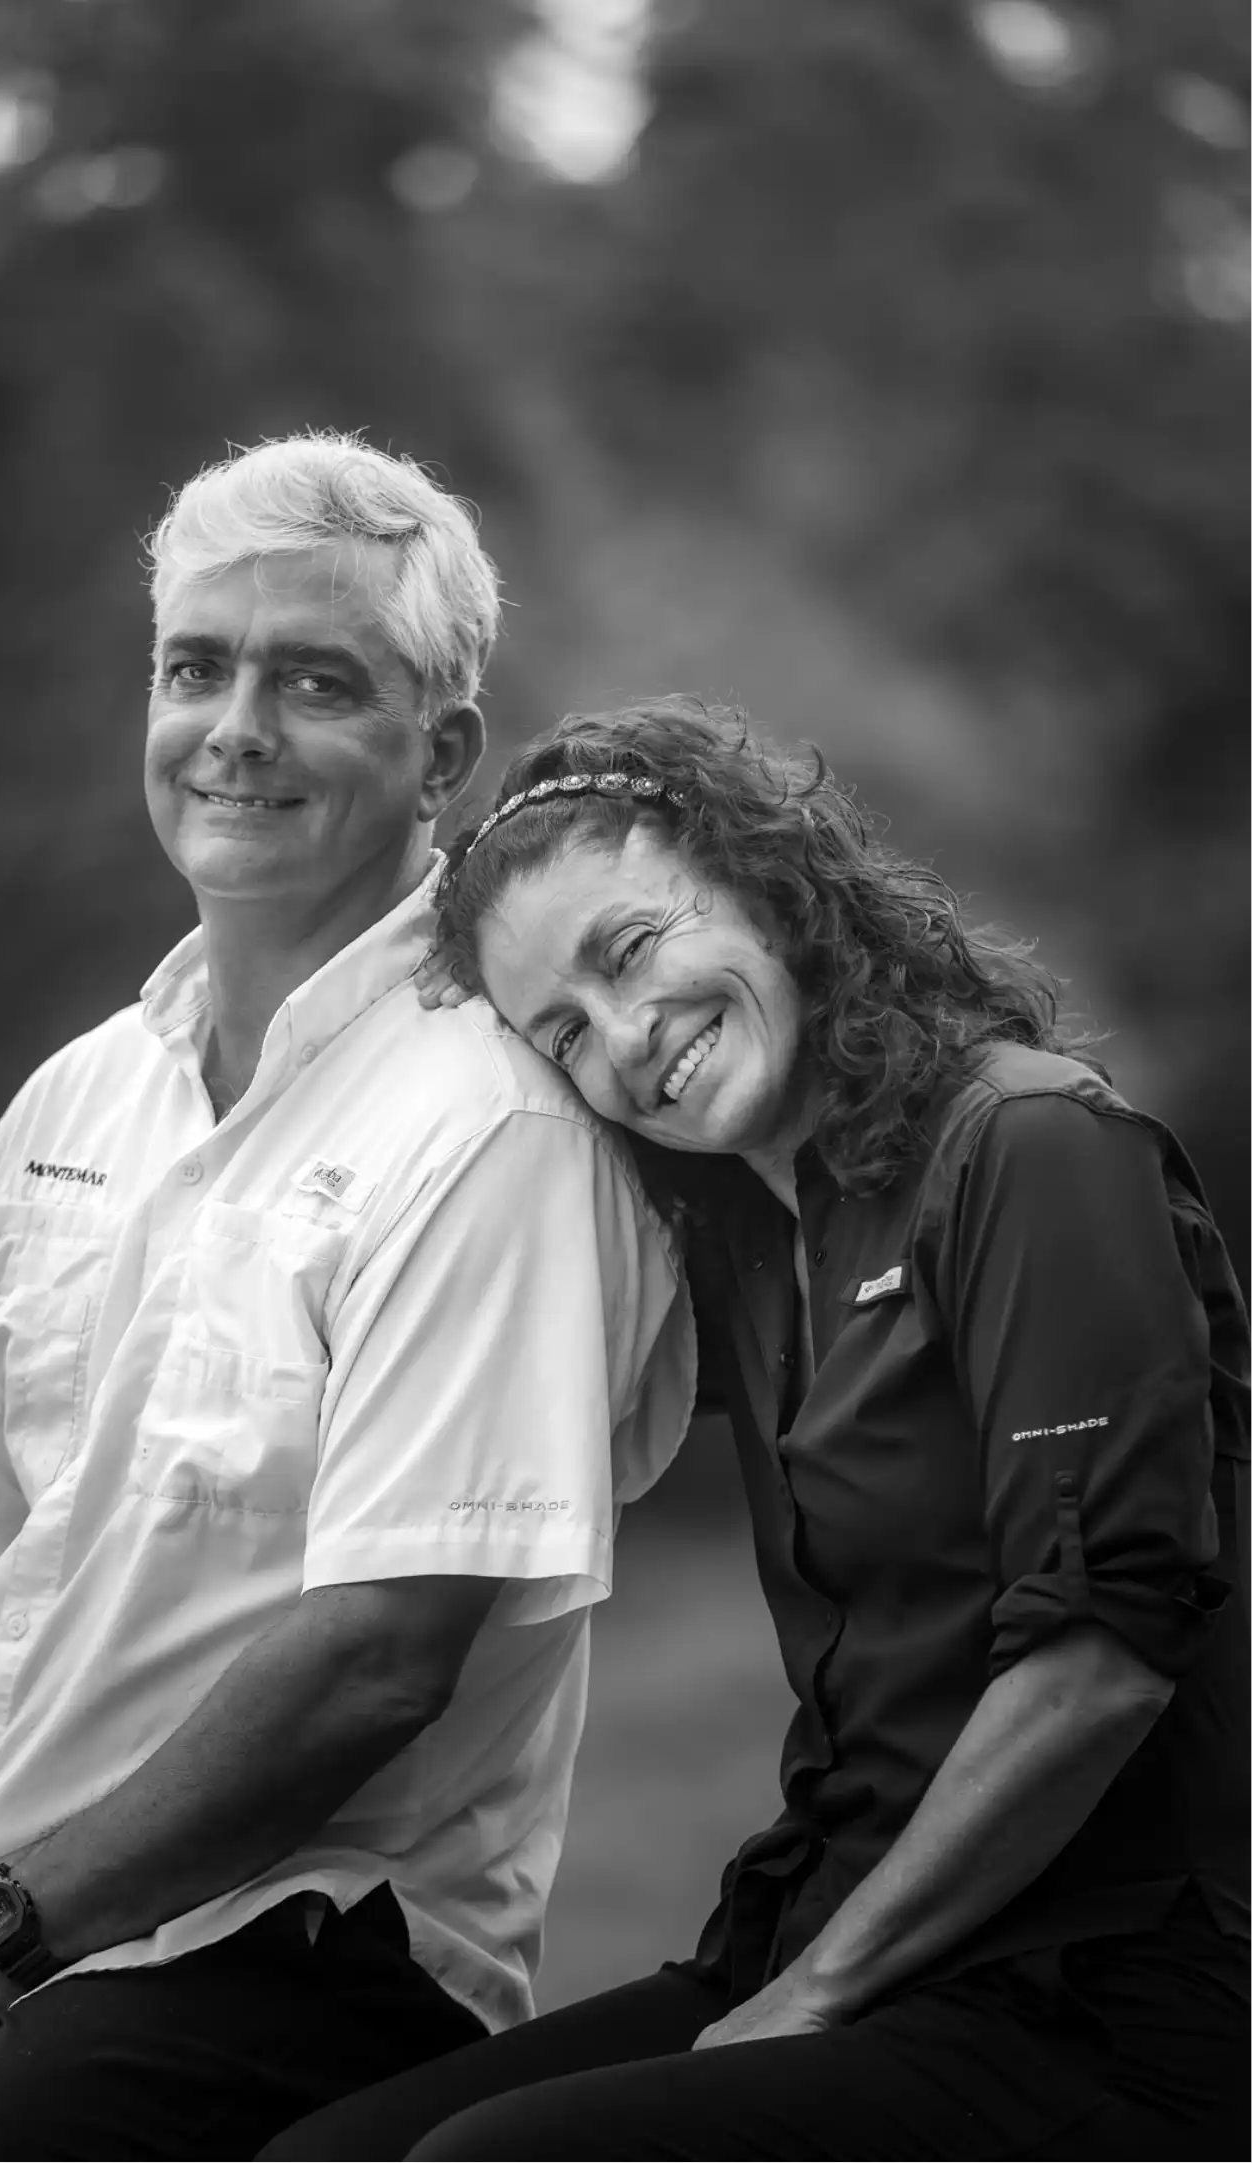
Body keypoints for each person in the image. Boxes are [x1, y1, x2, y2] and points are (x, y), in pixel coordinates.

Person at [257, 695, 1252, 2163]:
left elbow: (1100, 1662)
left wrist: (818, 1992)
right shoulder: (744, 1234)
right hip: (829, 1928)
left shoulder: (1034, 1147)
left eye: (632, 948)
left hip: (1103, 1989)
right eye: (562, 1032)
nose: (625, 1037)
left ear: (757, 873)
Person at [0, 449, 694, 2162]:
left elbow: (376, 1668)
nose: (235, 728)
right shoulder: (75, 1101)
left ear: (444, 752)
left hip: (288, 1952)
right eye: (197, 667)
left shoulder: (491, 1125)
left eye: (315, 682)